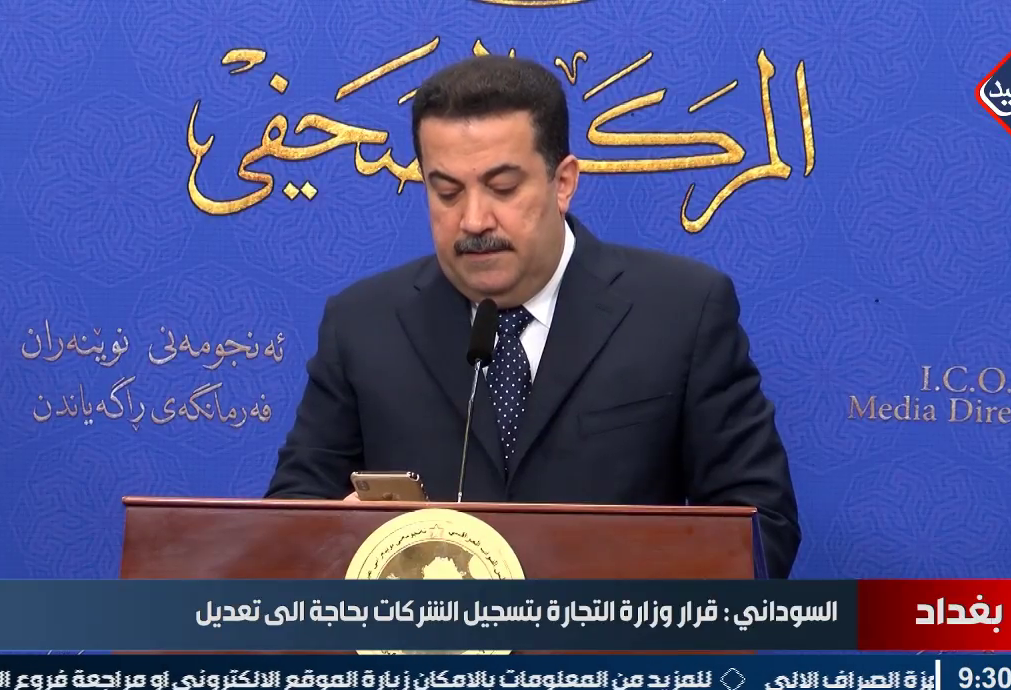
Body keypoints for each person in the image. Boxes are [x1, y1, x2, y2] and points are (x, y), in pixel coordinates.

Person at [265, 55, 800, 579]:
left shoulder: (681, 311)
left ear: (562, 182)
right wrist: (338, 538)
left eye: (502, 188)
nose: (474, 220)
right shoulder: (364, 324)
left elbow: (761, 527)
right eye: (446, 192)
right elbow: (288, 527)